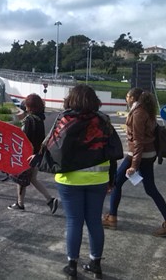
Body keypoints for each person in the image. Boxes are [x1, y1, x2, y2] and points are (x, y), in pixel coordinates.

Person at [47, 85, 117, 279]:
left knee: (74, 221)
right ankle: (95, 264)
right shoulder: (103, 120)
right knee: (94, 221)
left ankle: (72, 266)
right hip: (98, 179)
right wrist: (112, 179)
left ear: (71, 99)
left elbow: (54, 148)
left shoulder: (64, 119)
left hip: (69, 180)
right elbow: (111, 153)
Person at [103, 88, 166, 237]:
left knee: (117, 182)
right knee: (150, 189)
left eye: (127, 96)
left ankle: (112, 217)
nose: (126, 98)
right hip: (148, 154)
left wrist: (133, 166)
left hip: (138, 155)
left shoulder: (138, 113)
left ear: (133, 98)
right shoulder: (145, 110)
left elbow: (138, 141)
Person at [8, 93, 58, 213]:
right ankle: (50, 200)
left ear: (30, 106)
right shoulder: (40, 118)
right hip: (36, 154)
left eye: (27, 103)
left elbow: (24, 138)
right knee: (33, 179)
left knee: (21, 179)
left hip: (27, 155)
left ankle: (20, 204)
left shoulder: (30, 120)